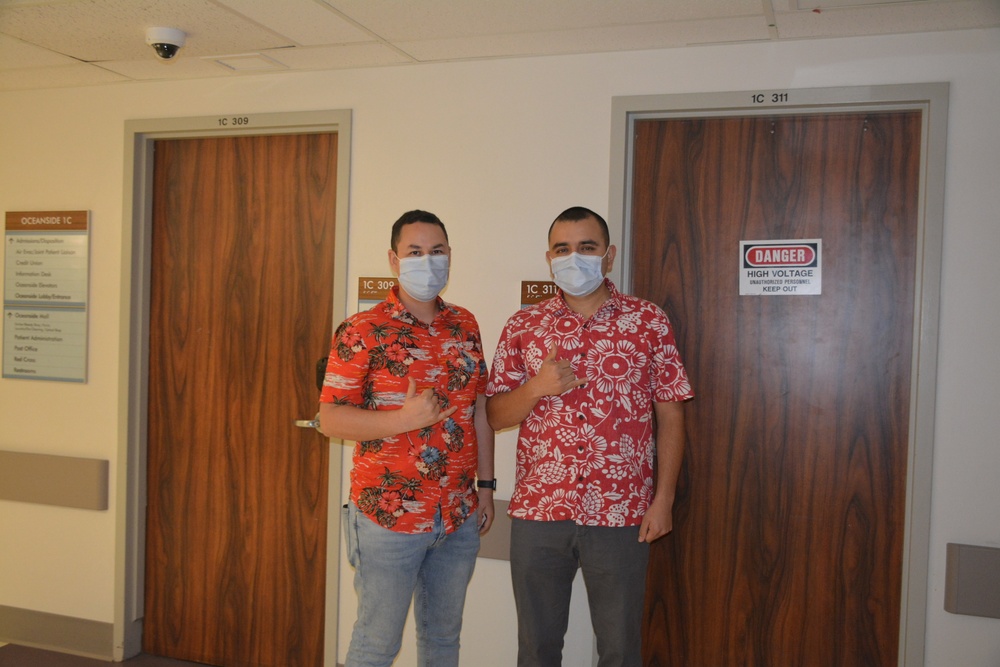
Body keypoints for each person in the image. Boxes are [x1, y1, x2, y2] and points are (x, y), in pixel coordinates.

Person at [486, 206, 693, 667]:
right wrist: (538, 387)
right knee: (536, 649)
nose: (573, 257)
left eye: (587, 247)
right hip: (540, 511)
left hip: (622, 513)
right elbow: (495, 414)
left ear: (609, 255)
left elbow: (671, 414)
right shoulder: (523, 326)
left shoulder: (648, 321)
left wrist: (664, 501)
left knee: (620, 649)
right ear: (548, 257)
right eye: (563, 249)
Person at [318, 209, 495, 667]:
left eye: (436, 252)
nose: (427, 261)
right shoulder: (362, 329)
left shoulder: (466, 325)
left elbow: (479, 412)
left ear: (450, 256)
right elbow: (330, 419)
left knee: (442, 641)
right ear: (394, 260)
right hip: (386, 516)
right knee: (377, 644)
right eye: (415, 252)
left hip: (457, 514)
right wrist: (403, 419)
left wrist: (486, 490)